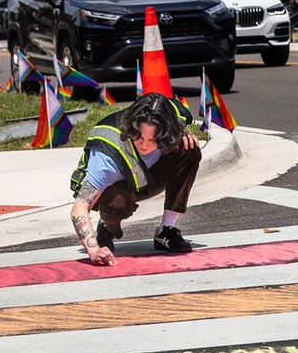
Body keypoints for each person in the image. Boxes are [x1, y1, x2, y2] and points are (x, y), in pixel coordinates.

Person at [69, 93, 201, 266]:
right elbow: (79, 208)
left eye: (153, 140)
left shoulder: (174, 117)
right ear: (132, 128)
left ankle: (166, 230)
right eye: (139, 137)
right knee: (118, 204)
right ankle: (107, 227)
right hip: (115, 189)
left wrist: (182, 135)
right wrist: (93, 250)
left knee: (189, 149)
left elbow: (178, 125)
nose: (145, 145)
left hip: (147, 177)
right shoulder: (106, 156)